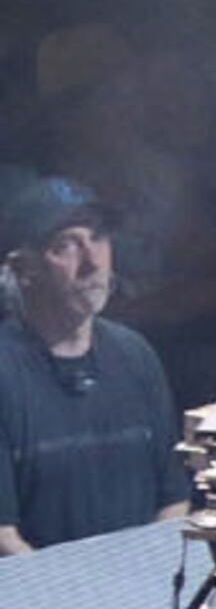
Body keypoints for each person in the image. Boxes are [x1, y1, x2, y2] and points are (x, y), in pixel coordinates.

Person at [0, 175, 180, 552]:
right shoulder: (7, 371)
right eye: (66, 245)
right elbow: (4, 538)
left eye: (98, 238)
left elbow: (173, 498)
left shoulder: (135, 354)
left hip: (142, 592)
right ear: (23, 268)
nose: (93, 262)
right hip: (36, 603)